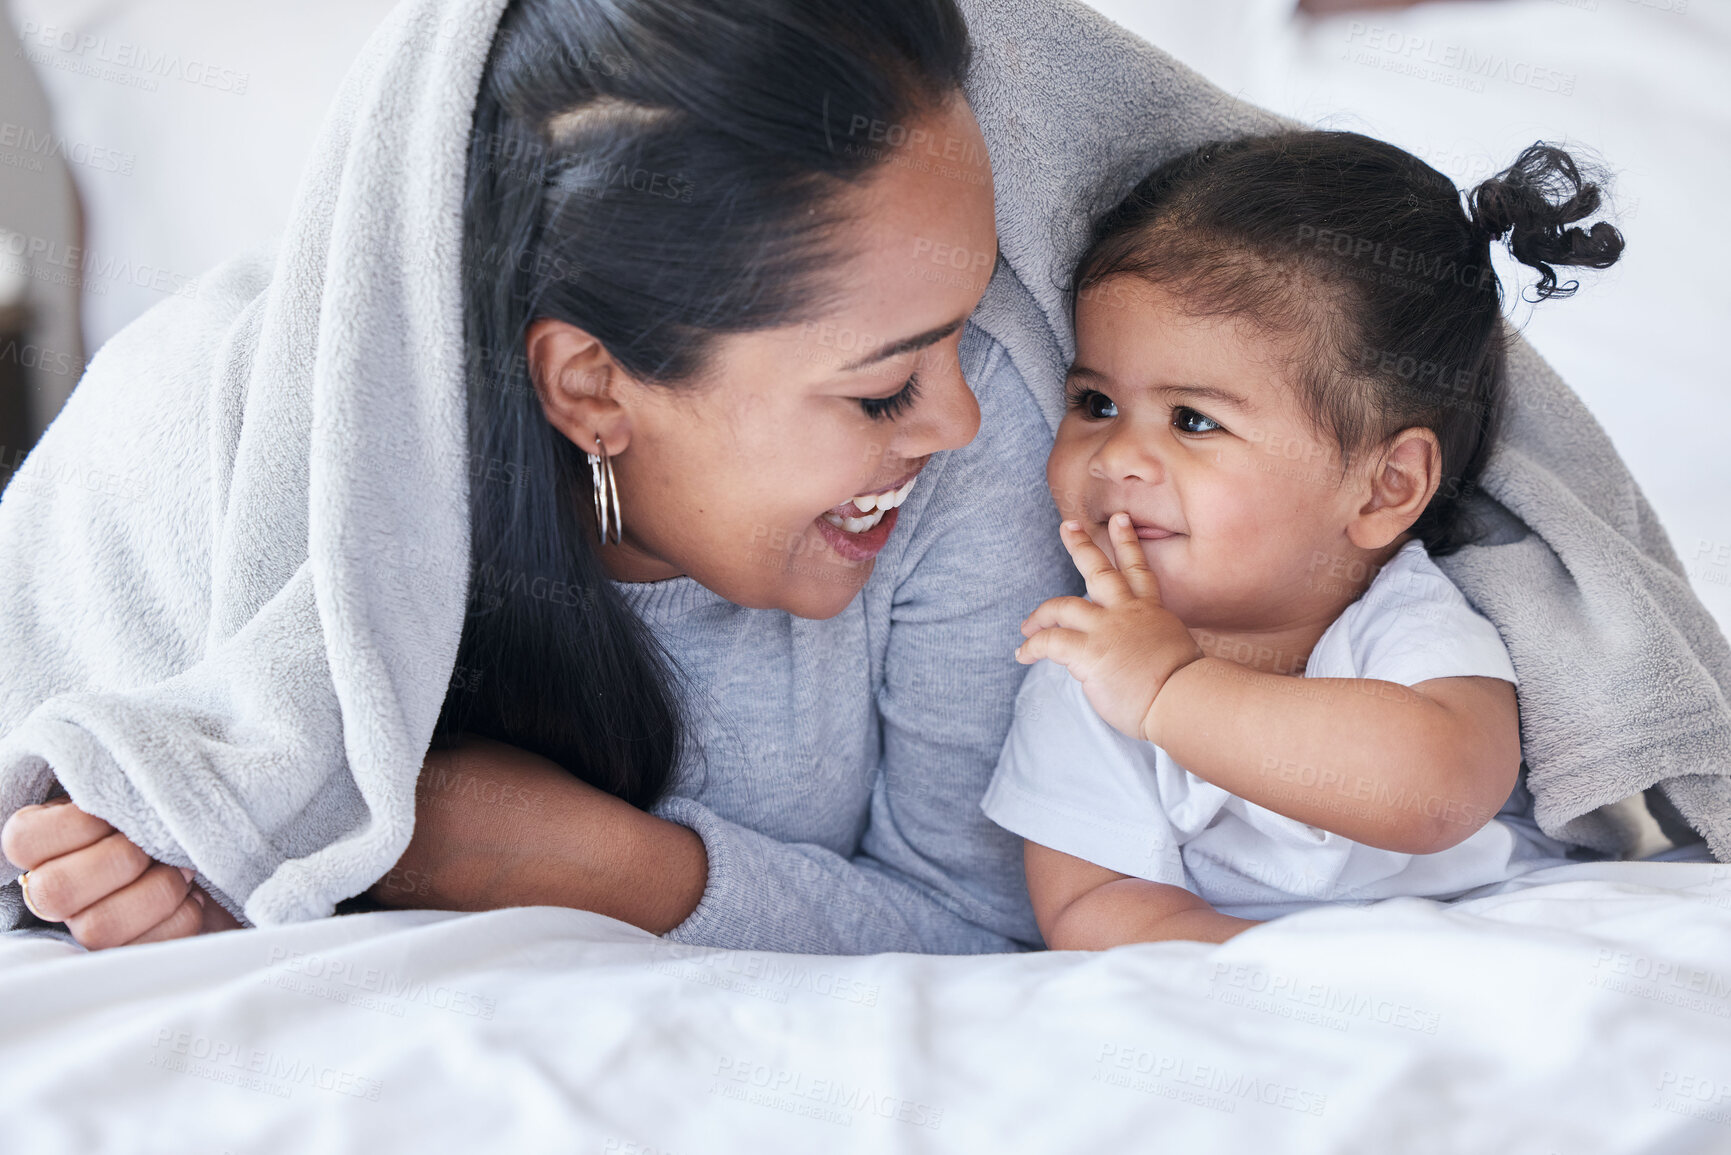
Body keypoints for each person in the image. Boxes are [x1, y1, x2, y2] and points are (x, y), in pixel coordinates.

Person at [0, 0, 1068, 953]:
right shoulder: (211, 422)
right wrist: (175, 888)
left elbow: (991, 923)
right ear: (592, 387)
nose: (959, 422)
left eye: (962, 334)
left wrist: (583, 864)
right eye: (881, 391)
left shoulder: (986, 428)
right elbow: (77, 815)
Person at [981, 133, 1624, 947]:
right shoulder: (1090, 662)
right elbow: (1089, 901)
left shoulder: (1402, 620)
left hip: (1481, 940)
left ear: (1384, 487)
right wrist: (1284, 987)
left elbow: (1437, 790)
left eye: (1192, 419)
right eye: (1095, 403)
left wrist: (1171, 693)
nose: (1115, 457)